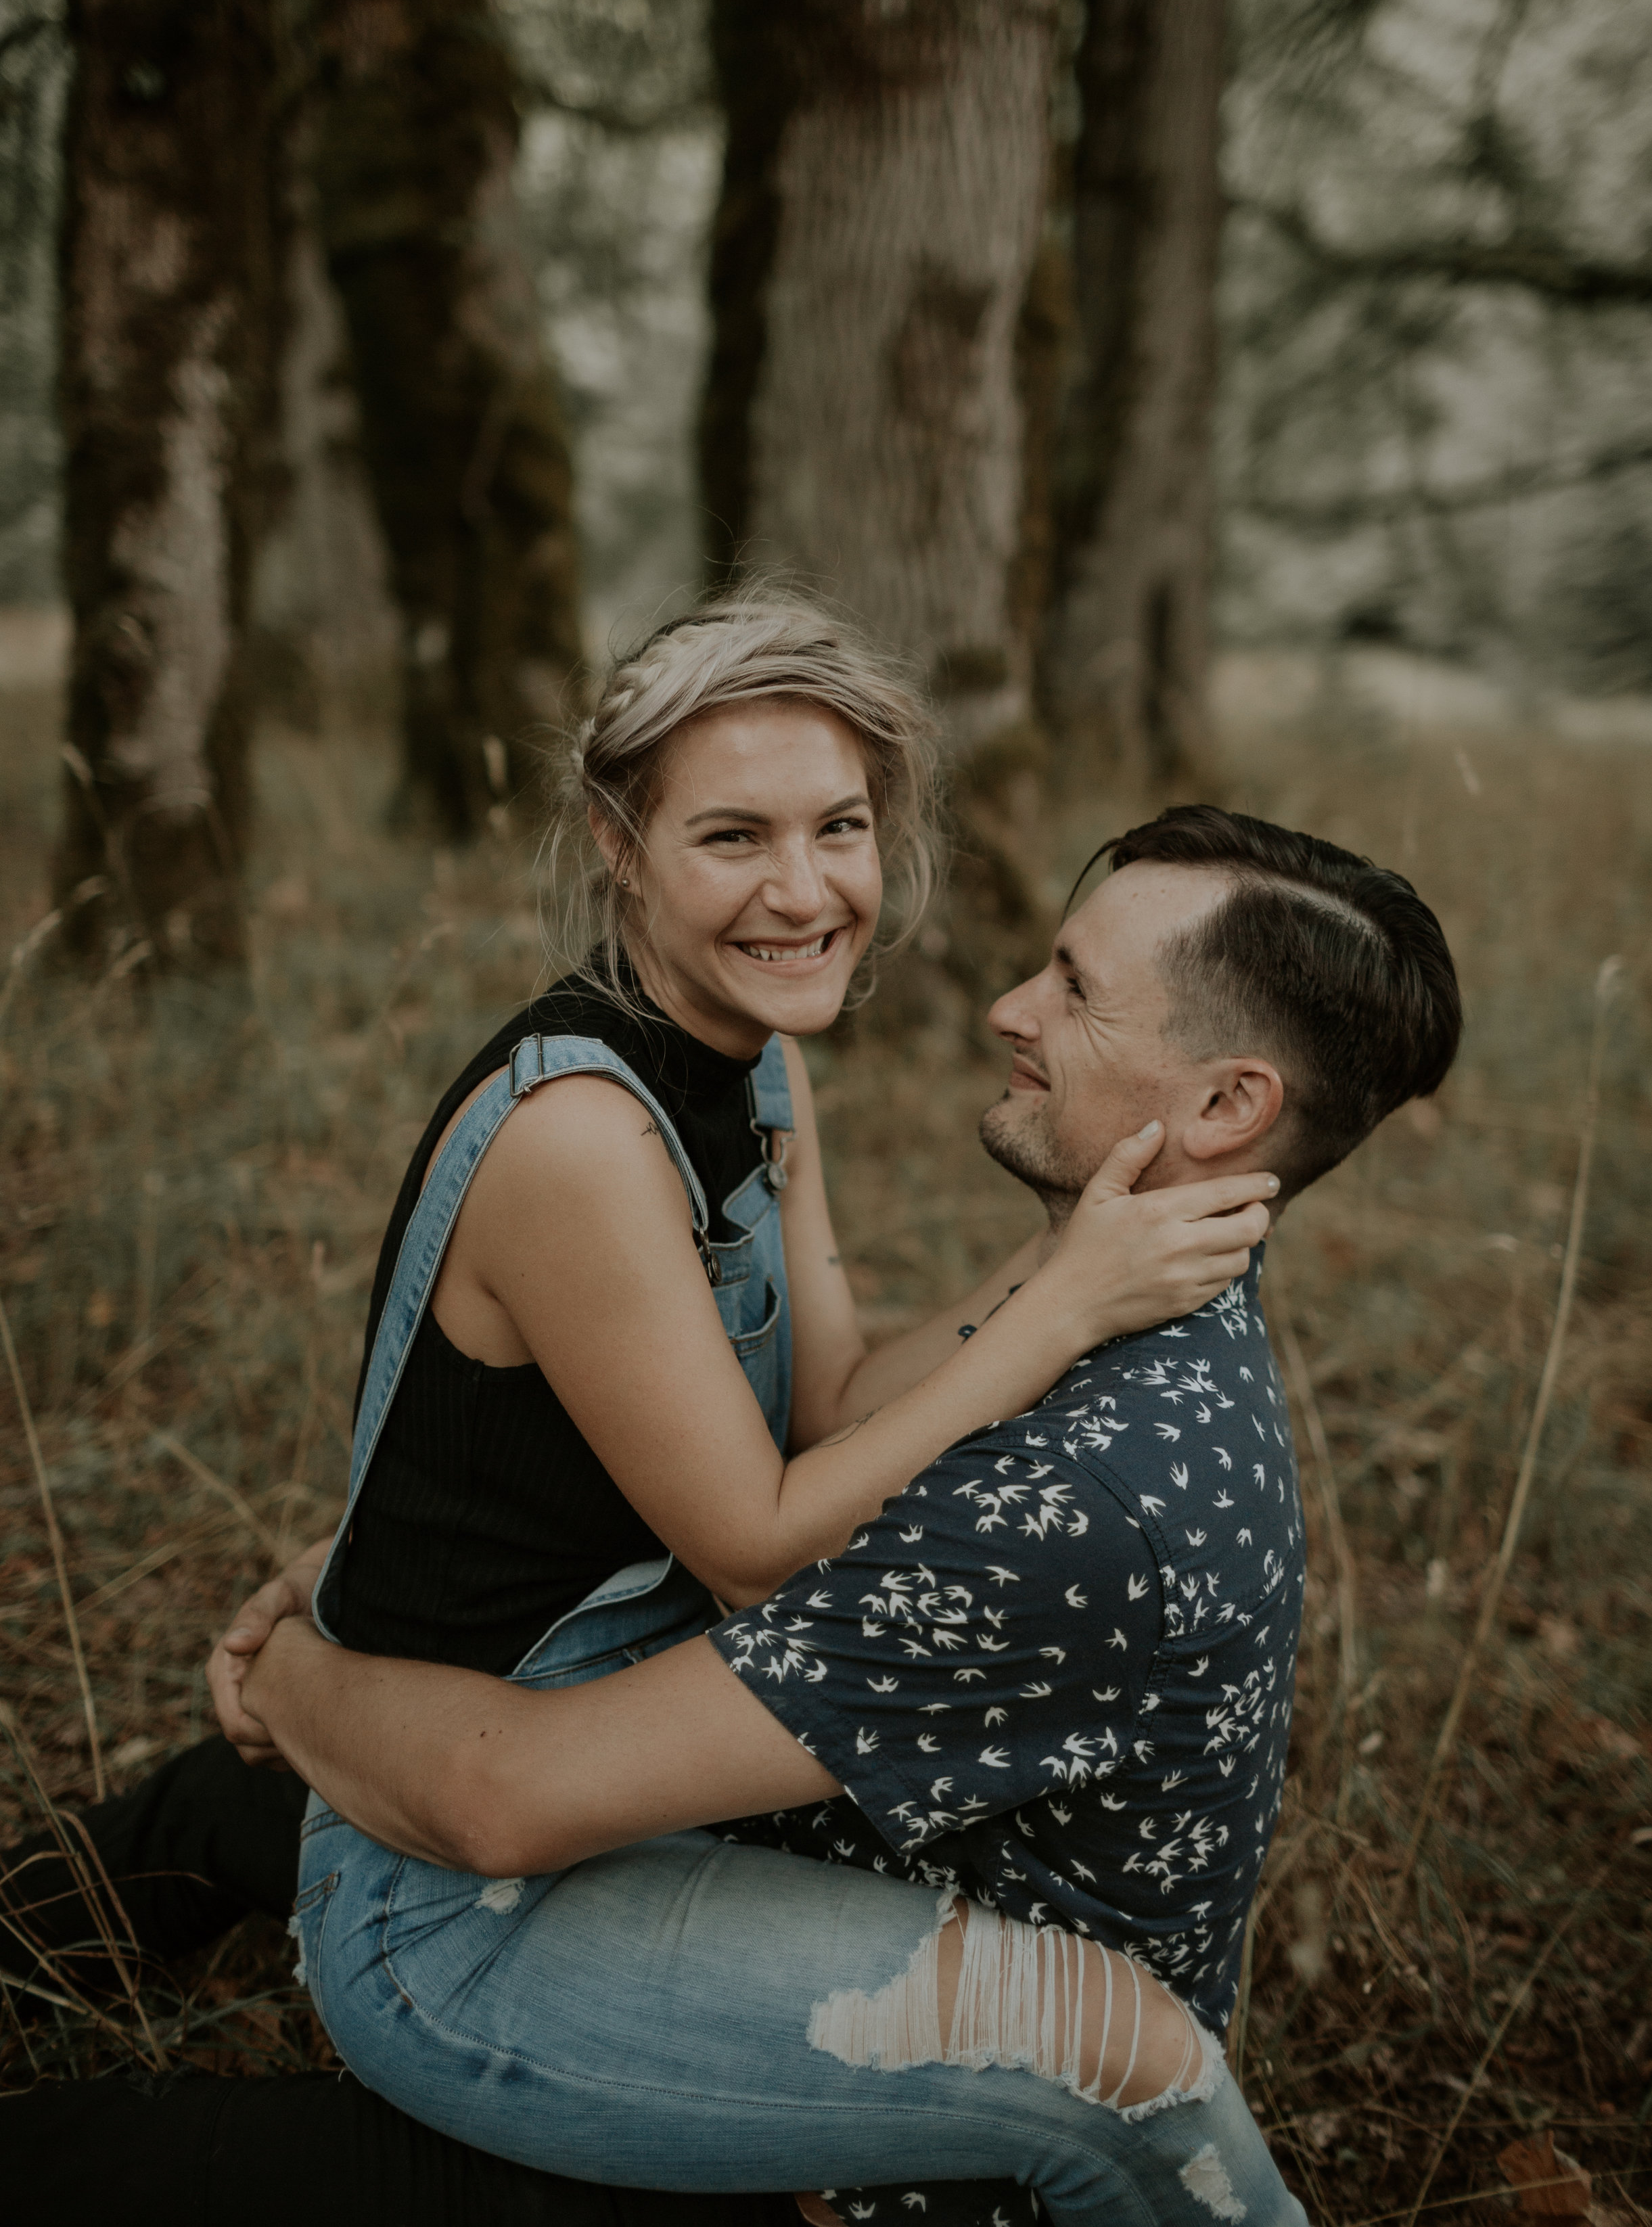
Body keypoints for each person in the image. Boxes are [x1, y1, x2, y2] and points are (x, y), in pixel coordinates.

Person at [6, 599, 1281, 2225]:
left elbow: (823, 1406)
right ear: (617, 843)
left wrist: (1064, 1263)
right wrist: (1060, 1309)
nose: (804, 890)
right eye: (731, 835)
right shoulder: (582, 1140)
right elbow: (756, 1545)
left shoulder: (752, 1059)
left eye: (839, 828)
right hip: (463, 1851)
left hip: (580, 1761)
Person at [205, 806, 1459, 2221]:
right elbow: (852, 1421)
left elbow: (503, 1797)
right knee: (230, 1802)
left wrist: (286, 1664)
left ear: (1228, 1109)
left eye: (1072, 986)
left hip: (893, 2148)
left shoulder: (1084, 1503)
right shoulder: (1145, 1299)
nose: (1004, 1008)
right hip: (828, 1863)